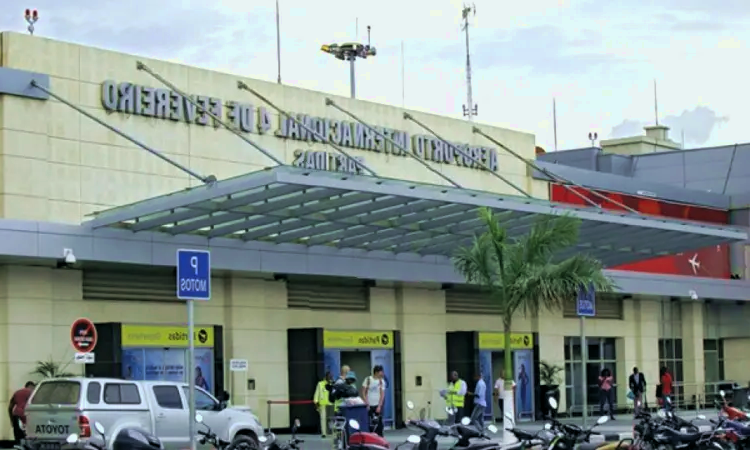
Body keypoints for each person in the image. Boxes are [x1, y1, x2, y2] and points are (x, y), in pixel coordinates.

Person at [8, 381, 35, 445]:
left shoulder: (17, 392)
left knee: (18, 437)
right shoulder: (33, 393)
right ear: (33, 387)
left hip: (17, 416)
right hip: (28, 416)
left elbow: (10, 407)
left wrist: (11, 420)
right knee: (29, 437)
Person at [362, 366, 385, 436]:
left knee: (379, 423)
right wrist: (366, 403)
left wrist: (379, 406)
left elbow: (382, 394)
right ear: (376, 372)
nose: (382, 374)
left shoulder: (381, 381)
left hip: (377, 405)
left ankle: (380, 438)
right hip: (369, 405)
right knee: (369, 423)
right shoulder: (368, 379)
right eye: (381, 372)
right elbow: (363, 392)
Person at [314, 371, 333, 438]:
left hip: (330, 405)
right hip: (322, 404)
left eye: (331, 376)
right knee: (323, 419)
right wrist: (316, 403)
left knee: (331, 419)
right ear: (326, 377)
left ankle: (330, 432)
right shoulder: (320, 384)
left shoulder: (332, 385)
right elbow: (316, 394)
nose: (330, 377)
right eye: (329, 376)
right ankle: (324, 433)